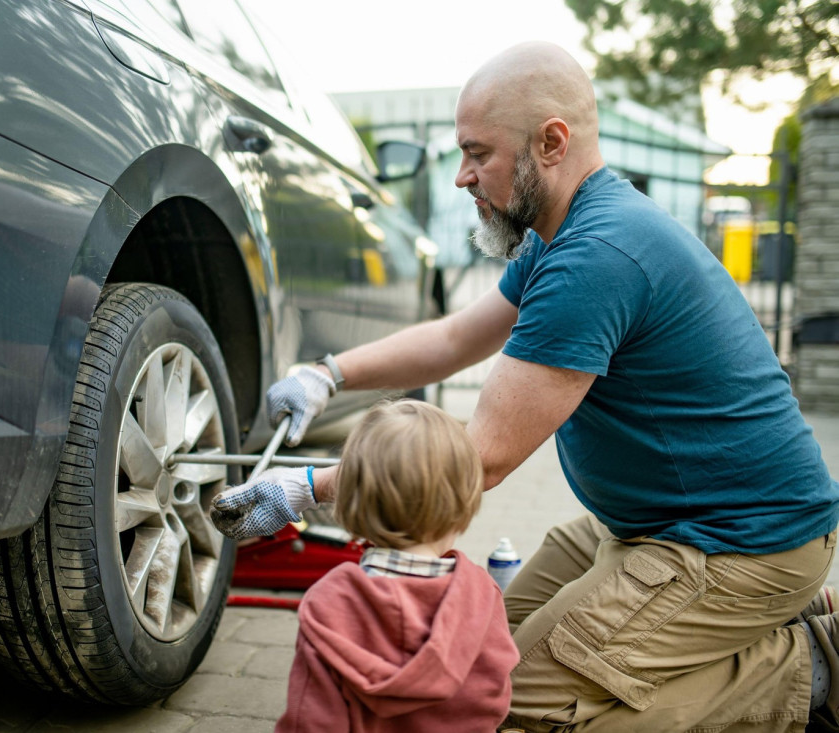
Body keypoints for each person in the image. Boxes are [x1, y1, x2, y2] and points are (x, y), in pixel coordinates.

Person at [212, 40, 839, 732]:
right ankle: (717, 638)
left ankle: (807, 668)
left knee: (513, 706)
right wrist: (328, 373)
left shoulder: (596, 256)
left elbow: (481, 458)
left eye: (478, 153)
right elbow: (456, 339)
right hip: (647, 524)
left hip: (740, 543)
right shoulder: (559, 232)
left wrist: (303, 487)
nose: (461, 176)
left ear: (550, 142)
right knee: (481, 655)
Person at [276, 399, 519, 733]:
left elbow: (311, 718)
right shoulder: (481, 594)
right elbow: (493, 697)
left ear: (348, 499)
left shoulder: (329, 601)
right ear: (466, 502)